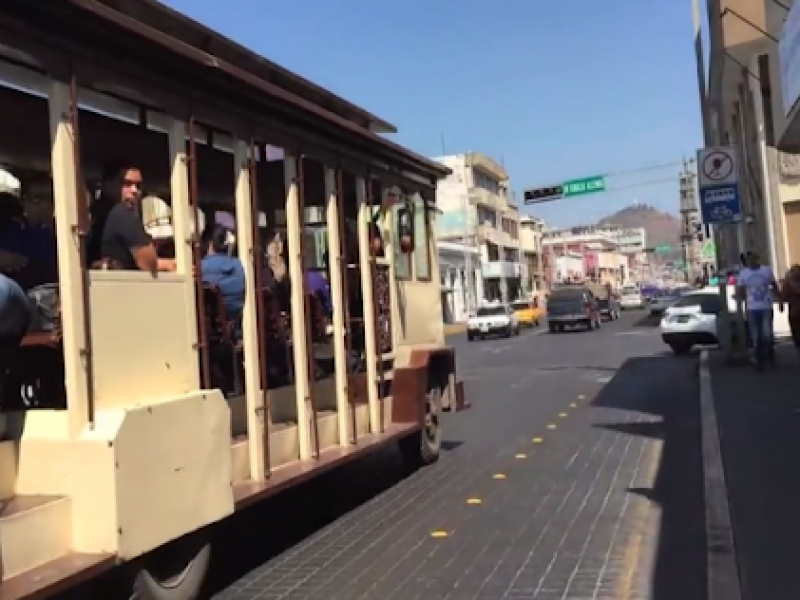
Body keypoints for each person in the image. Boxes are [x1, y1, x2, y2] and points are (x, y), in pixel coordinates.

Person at [99, 164, 176, 272]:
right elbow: (148, 263)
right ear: (108, 185)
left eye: (138, 186)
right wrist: (170, 264)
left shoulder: (102, 216)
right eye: (127, 184)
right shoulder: (122, 212)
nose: (134, 190)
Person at [201, 225, 245, 342]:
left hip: (211, 333)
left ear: (209, 244)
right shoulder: (238, 265)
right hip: (235, 327)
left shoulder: (201, 267)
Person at [737, 252, 779, 370]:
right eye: (748, 260)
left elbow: (773, 285)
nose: (751, 261)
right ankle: (759, 360)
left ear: (757, 259)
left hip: (766, 306)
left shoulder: (766, 271)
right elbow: (741, 289)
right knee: (756, 336)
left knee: (767, 334)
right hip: (752, 308)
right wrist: (740, 299)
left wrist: (779, 299)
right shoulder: (744, 274)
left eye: (753, 259)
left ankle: (770, 354)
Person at [779, 265, 800, 358]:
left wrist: (781, 304)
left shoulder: (788, 282)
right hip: (794, 309)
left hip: (793, 309)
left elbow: (784, 294)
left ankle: (798, 342)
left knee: (795, 327)